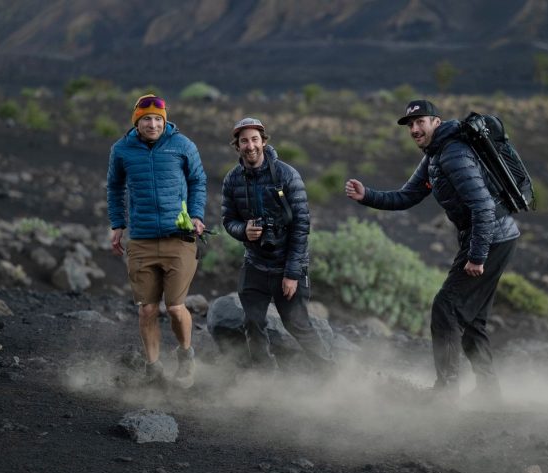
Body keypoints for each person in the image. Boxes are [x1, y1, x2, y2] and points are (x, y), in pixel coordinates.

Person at [344, 99, 520, 405]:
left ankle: (447, 391)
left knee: (446, 307)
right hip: (490, 238)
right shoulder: (435, 156)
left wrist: (477, 257)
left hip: (490, 239)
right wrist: (367, 196)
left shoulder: (453, 154)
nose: (414, 129)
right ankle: (490, 393)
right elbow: (407, 196)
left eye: (420, 122)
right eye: (410, 125)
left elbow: (483, 208)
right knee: (472, 318)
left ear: (436, 122)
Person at [107, 93, 207, 385]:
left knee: (175, 307)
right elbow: (114, 188)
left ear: (165, 121)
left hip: (179, 237)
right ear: (137, 122)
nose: (153, 124)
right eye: (146, 119)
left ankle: (185, 354)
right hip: (142, 239)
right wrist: (118, 224)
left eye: (157, 119)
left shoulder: (182, 145)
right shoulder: (122, 150)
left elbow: (198, 181)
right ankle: (153, 370)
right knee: (147, 309)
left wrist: (198, 215)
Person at [221, 117, 333, 372]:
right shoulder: (232, 180)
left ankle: (331, 376)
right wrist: (243, 231)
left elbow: (302, 227)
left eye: (254, 139)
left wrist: (292, 274)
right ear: (236, 146)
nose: (250, 146)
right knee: (252, 322)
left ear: (263, 141)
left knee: (299, 326)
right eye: (244, 141)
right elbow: (228, 220)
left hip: (287, 266)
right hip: (255, 264)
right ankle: (264, 377)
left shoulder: (287, 175)